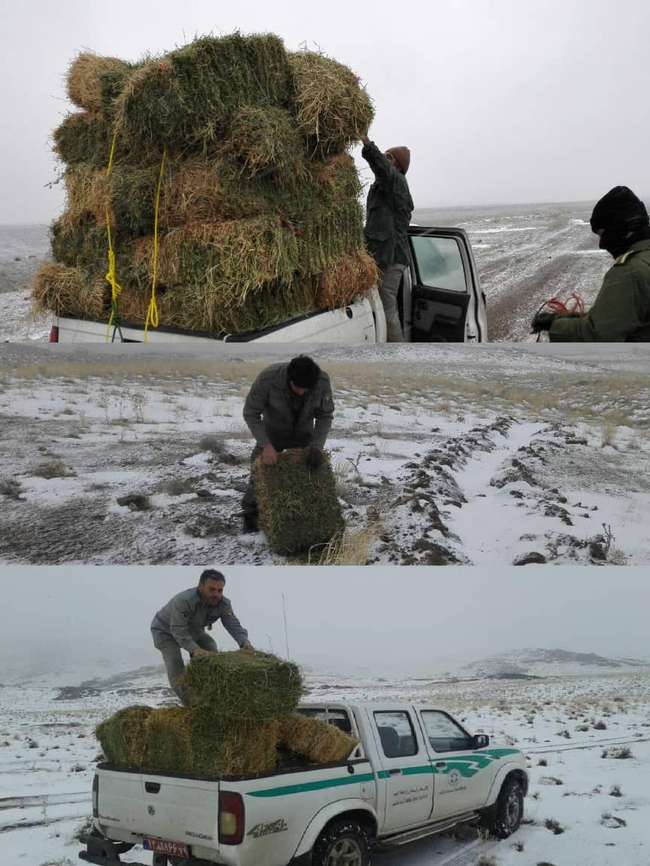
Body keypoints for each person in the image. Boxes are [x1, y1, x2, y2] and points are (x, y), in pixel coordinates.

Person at [532, 186, 650, 341]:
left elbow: (597, 335)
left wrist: (554, 325)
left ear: (621, 228)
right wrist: (571, 317)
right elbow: (623, 317)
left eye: (603, 234)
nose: (602, 244)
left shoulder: (629, 273)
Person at [241, 355, 334, 532]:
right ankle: (251, 515)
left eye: (306, 389)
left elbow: (325, 415)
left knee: (310, 474)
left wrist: (316, 446)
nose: (301, 392)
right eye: (297, 387)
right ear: (289, 378)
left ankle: (301, 517)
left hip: (303, 436)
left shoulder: (321, 381)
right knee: (258, 472)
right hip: (272, 434)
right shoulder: (268, 379)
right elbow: (251, 413)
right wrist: (265, 445)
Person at [151, 569, 252, 702]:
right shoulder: (183, 600)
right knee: (175, 662)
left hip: (194, 630)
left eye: (220, 590)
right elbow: (178, 630)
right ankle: (191, 703)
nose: (216, 594)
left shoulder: (224, 604)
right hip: (165, 631)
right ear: (200, 586)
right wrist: (195, 650)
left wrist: (244, 643)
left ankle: (206, 690)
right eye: (211, 589)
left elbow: (233, 624)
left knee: (210, 647)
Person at [361, 134, 414, 342]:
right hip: (383, 254)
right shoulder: (385, 186)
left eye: (389, 157)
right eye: (384, 155)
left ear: (398, 166)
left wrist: (367, 143)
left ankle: (396, 352)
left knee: (387, 305)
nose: (384, 158)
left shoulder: (396, 181)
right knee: (380, 304)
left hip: (392, 258)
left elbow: (382, 167)